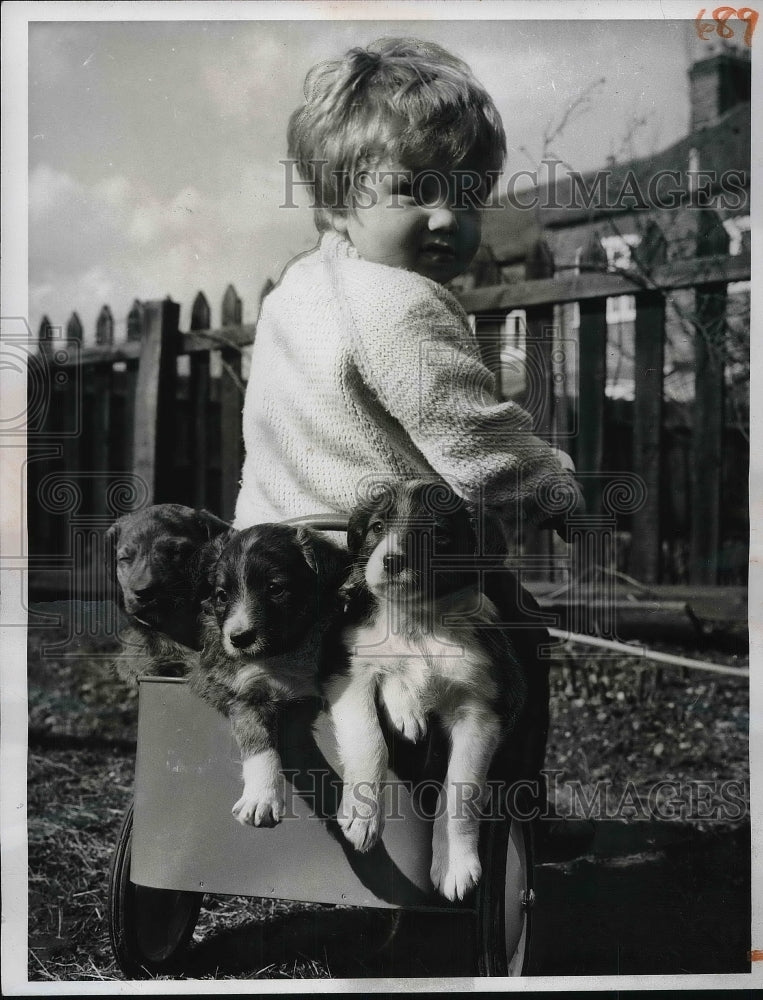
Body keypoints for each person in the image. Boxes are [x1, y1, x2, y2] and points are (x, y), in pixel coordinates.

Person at [234, 37, 591, 858]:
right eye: (413, 191)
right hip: (383, 569)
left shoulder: (297, 290)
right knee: (515, 646)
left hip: (275, 561)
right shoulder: (398, 305)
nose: (445, 219)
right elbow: (475, 444)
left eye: (467, 198)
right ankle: (513, 815)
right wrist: (552, 480)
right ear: (334, 200)